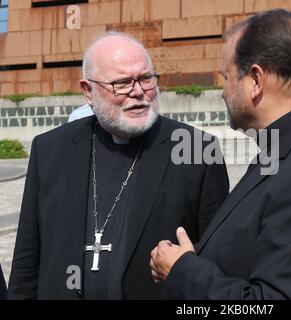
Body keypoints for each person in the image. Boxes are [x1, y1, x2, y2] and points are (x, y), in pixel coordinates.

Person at [150, 9, 291, 300]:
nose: (223, 91)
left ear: (256, 80)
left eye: (227, 76)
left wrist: (183, 272)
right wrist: (203, 256)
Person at [8, 32, 229, 299]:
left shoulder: (198, 150)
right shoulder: (50, 149)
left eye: (146, 79)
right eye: (122, 83)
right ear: (88, 91)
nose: (138, 92)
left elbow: (218, 261)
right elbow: (27, 260)